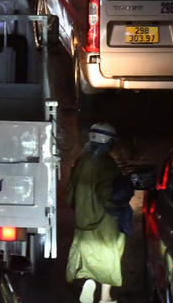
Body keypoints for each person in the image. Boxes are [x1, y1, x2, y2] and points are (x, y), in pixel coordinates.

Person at [66, 122, 127, 303]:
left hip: (83, 220)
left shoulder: (81, 162)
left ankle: (89, 283)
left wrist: (80, 210)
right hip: (105, 221)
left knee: (88, 255)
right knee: (108, 256)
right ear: (109, 142)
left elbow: (70, 192)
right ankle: (105, 297)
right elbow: (109, 195)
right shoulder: (107, 165)